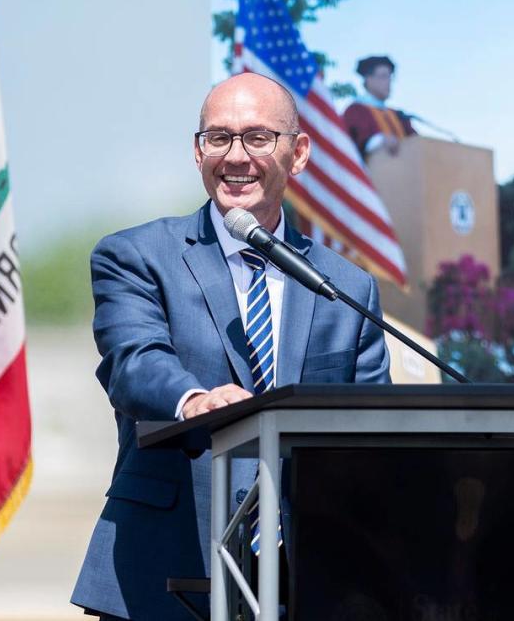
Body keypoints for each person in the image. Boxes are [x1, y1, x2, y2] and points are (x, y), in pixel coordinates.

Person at [70, 72, 391, 620]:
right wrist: (194, 400)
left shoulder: (346, 287)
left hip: (310, 584)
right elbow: (134, 362)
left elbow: (370, 437)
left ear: (299, 153)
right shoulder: (136, 256)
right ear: (198, 153)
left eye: (258, 137)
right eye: (219, 138)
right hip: (167, 572)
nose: (236, 156)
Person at [342, 55, 418, 159]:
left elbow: (416, 142)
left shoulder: (397, 115)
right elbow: (355, 144)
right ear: (368, 79)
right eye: (383, 76)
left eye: (390, 77)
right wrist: (381, 140)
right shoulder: (356, 111)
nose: (389, 82)